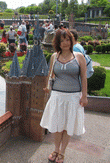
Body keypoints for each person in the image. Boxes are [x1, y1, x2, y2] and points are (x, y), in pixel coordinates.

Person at [40, 29, 88, 163]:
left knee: (68, 126)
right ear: (58, 43)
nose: (65, 43)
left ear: (72, 41)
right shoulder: (55, 56)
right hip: (57, 96)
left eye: (68, 40)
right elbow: (51, 74)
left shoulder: (78, 56)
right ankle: (56, 149)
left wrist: (84, 96)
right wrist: (47, 87)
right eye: (62, 41)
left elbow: (83, 77)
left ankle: (62, 152)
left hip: (73, 97)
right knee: (57, 125)